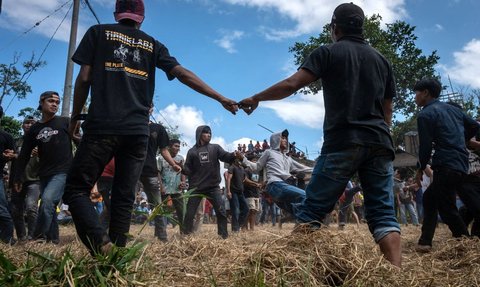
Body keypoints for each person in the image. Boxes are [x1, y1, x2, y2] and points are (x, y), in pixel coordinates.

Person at [62, 0, 238, 254]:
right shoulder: (153, 44)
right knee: (124, 197)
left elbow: (84, 78)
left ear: (116, 13)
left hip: (103, 125)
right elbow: (183, 74)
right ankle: (117, 255)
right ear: (141, 18)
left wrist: (75, 116)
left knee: (76, 189)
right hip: (137, 132)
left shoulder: (98, 33)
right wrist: (220, 97)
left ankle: (101, 242)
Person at [238, 3, 401, 267]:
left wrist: (257, 97)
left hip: (343, 143)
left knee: (312, 209)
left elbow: (292, 84)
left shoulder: (328, 52)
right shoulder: (381, 60)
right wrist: (381, 134)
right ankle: (396, 275)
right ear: (361, 27)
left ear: (334, 27)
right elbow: (388, 107)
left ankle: (289, 267)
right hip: (380, 142)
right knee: (383, 214)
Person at [415, 79, 480, 252]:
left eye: (417, 92)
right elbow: (474, 125)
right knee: (430, 198)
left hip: (445, 163)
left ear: (426, 93)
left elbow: (425, 147)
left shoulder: (425, 114)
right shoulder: (453, 109)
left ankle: (466, 244)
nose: (415, 96)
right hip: (461, 163)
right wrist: (463, 140)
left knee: (446, 206)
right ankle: (425, 241)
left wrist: (420, 168)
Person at [14, 91, 73, 244]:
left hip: (63, 171)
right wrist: (18, 176)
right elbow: (24, 154)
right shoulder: (34, 129)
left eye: (57, 102)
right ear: (41, 102)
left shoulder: (65, 122)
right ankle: (52, 240)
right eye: (51, 101)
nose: (55, 104)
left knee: (47, 201)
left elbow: (79, 140)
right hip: (44, 173)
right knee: (50, 208)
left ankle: (37, 237)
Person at [237, 130, 311, 217]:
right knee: (305, 196)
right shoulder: (269, 152)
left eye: (286, 138)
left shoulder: (288, 159)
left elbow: (305, 169)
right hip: (275, 185)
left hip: (283, 187)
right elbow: (257, 167)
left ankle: (308, 225)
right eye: (282, 138)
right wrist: (243, 159)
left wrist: (322, 168)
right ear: (276, 139)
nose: (285, 140)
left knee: (295, 210)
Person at [182, 125, 236, 238]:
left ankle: (223, 236)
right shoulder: (192, 152)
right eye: (206, 133)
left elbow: (226, 156)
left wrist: (234, 155)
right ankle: (186, 236)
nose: (209, 135)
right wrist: (180, 167)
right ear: (199, 134)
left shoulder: (215, 148)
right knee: (190, 213)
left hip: (213, 186)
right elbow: (187, 170)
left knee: (221, 211)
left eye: (210, 133)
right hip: (196, 187)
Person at [139, 107, 180, 242]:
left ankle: (162, 236)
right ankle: (122, 235)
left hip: (150, 170)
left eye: (148, 105)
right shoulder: (130, 123)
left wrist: (173, 163)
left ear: (151, 109)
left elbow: (164, 150)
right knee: (125, 202)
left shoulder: (158, 128)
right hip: (131, 170)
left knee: (157, 205)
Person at [10, 116, 40, 242]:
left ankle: (32, 237)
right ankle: (22, 237)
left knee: (31, 207)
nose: (29, 125)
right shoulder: (16, 142)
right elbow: (9, 155)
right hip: (17, 180)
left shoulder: (41, 141)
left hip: (35, 179)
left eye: (32, 123)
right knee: (16, 210)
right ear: (22, 125)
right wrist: (12, 155)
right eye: (26, 123)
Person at [158, 139, 187, 236]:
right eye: (176, 146)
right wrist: (161, 186)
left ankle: (183, 233)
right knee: (161, 212)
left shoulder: (180, 158)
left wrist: (183, 182)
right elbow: (158, 173)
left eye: (179, 146)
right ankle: (160, 234)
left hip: (177, 189)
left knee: (181, 211)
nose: (178, 148)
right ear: (169, 147)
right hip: (164, 190)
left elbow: (183, 171)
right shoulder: (161, 158)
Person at [0, 106, 16, 245]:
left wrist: (8, 156)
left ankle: (8, 239)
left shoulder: (6, 137)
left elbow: (14, 155)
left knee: (1, 208)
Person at [226, 159, 249, 232]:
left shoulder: (242, 169)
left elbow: (245, 179)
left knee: (246, 209)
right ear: (235, 160)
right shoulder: (232, 167)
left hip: (241, 192)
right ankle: (235, 229)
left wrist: (255, 184)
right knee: (235, 210)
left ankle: (238, 225)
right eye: (238, 159)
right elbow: (228, 179)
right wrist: (228, 191)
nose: (239, 161)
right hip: (233, 192)